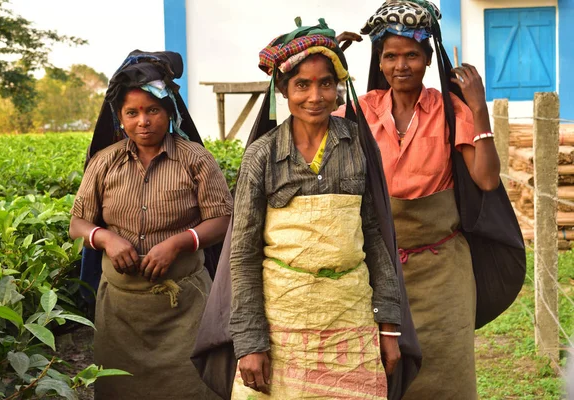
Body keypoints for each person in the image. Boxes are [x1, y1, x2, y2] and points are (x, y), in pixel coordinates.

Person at [225, 18, 411, 400]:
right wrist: (249, 341)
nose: (315, 96)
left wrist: (389, 324)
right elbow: (243, 253)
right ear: (283, 90)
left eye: (326, 83)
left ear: (339, 88)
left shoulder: (357, 145)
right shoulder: (263, 155)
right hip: (283, 319)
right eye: (302, 85)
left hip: (350, 317)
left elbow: (375, 236)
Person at [333, 1, 501, 399]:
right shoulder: (359, 112)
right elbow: (309, 121)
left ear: (428, 59)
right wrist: (329, 61)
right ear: (379, 60)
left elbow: (487, 179)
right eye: (390, 56)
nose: (400, 65)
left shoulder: (449, 110)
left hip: (443, 272)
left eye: (411, 55)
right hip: (378, 269)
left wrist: (478, 109)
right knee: (381, 372)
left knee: (447, 371)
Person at [69, 50, 233, 400]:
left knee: (191, 388)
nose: (143, 121)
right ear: (120, 119)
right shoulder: (104, 163)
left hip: (184, 306)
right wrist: (105, 238)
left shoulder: (195, 160)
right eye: (133, 113)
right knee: (120, 388)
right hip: (120, 312)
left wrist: (180, 242)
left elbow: (222, 220)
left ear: (170, 112)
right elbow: (78, 223)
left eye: (153, 110)